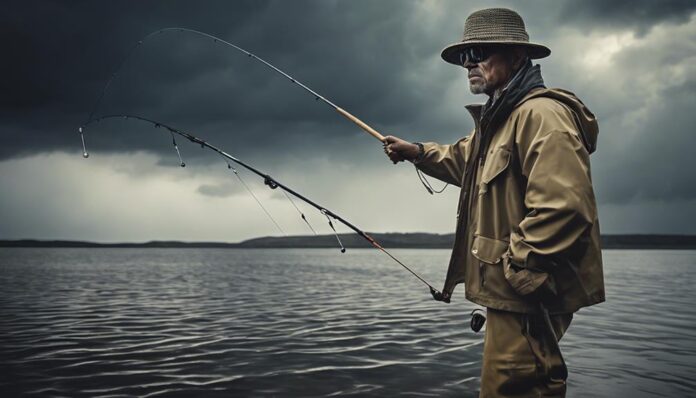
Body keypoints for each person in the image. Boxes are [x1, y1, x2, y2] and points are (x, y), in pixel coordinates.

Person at [383, 8, 605, 398]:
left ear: (517, 56)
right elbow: (461, 158)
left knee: (514, 389)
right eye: (464, 57)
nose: (469, 64)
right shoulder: (502, 118)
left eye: (480, 52)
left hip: (525, 293)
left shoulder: (541, 115)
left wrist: (519, 268)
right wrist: (416, 151)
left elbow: (564, 207)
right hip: (513, 291)